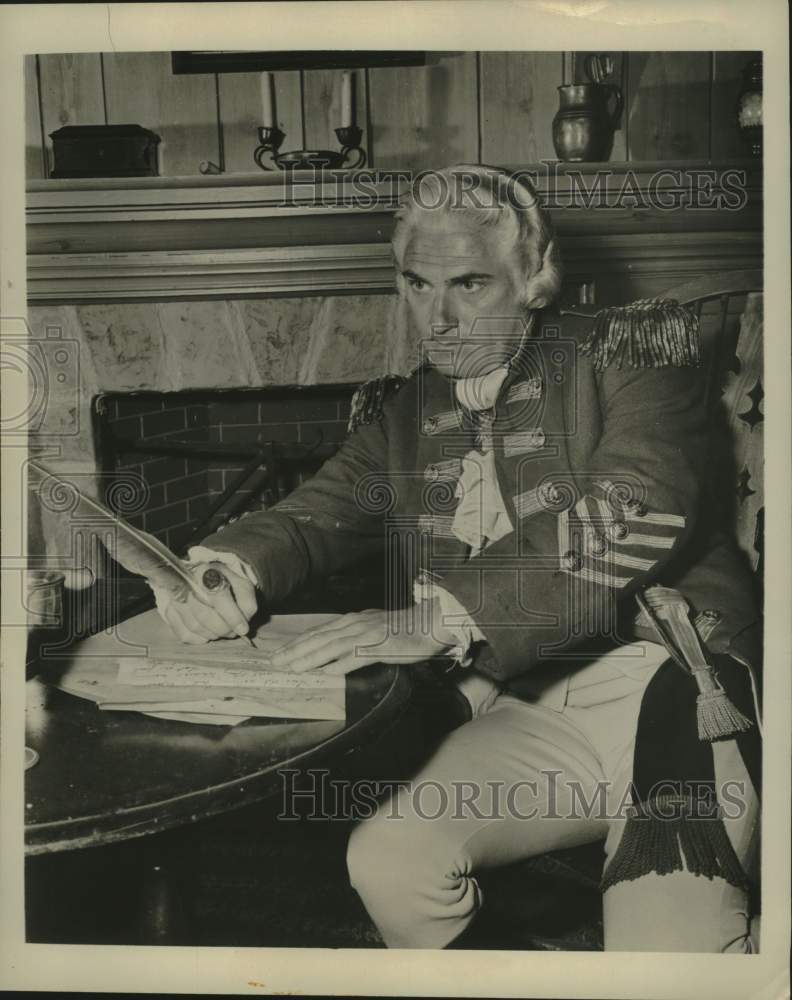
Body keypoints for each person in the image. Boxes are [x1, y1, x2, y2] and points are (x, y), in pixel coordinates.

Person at [153, 165, 762, 952]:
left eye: (469, 284)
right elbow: (313, 514)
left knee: (666, 955)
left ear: (536, 276)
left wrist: (445, 615)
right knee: (392, 860)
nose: (436, 320)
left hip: (681, 692)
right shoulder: (414, 409)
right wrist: (225, 569)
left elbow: (636, 509)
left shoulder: (629, 351)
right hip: (533, 710)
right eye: (416, 284)